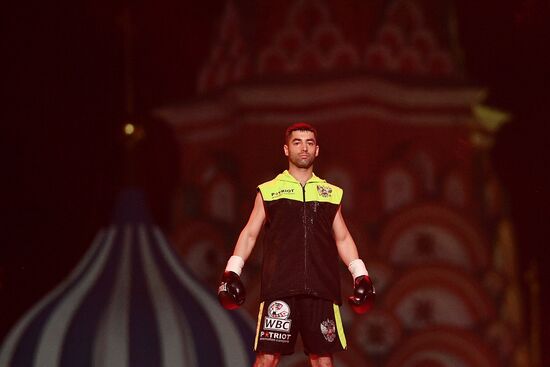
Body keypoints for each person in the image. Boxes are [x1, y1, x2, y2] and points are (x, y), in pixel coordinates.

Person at [218, 122, 374, 367]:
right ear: (286, 149)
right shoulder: (269, 191)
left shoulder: (330, 193)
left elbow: (342, 237)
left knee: (323, 360)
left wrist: (360, 275)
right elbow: (249, 232)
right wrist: (232, 271)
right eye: (297, 142)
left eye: (309, 143)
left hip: (321, 290)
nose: (304, 148)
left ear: (317, 150)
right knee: (267, 358)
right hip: (280, 288)